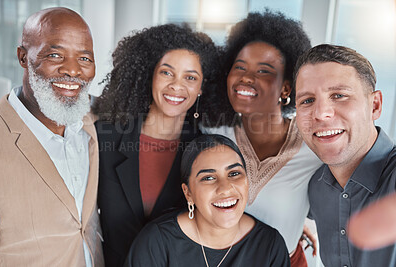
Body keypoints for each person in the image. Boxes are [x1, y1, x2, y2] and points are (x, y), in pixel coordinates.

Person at [201, 10, 322, 266]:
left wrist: (294, 226)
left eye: (264, 71)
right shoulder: (211, 133)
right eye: (240, 67)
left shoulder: (315, 144)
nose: (246, 77)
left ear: (287, 88)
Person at [92, 24, 219, 267]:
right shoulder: (105, 136)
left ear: (201, 87)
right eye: (166, 72)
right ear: (150, 74)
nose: (176, 85)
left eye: (190, 77)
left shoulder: (205, 151)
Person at [0, 7, 103, 266]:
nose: (72, 70)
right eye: (55, 55)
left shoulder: (94, 120)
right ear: (23, 57)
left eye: (85, 58)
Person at [294, 44, 396, 267]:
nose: (321, 113)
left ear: (375, 105)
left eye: (339, 95)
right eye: (307, 101)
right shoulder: (315, 186)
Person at [126, 134, 290, 266]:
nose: (225, 188)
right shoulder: (157, 242)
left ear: (247, 181)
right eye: (208, 178)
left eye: (234, 174)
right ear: (188, 192)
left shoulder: (270, 245)